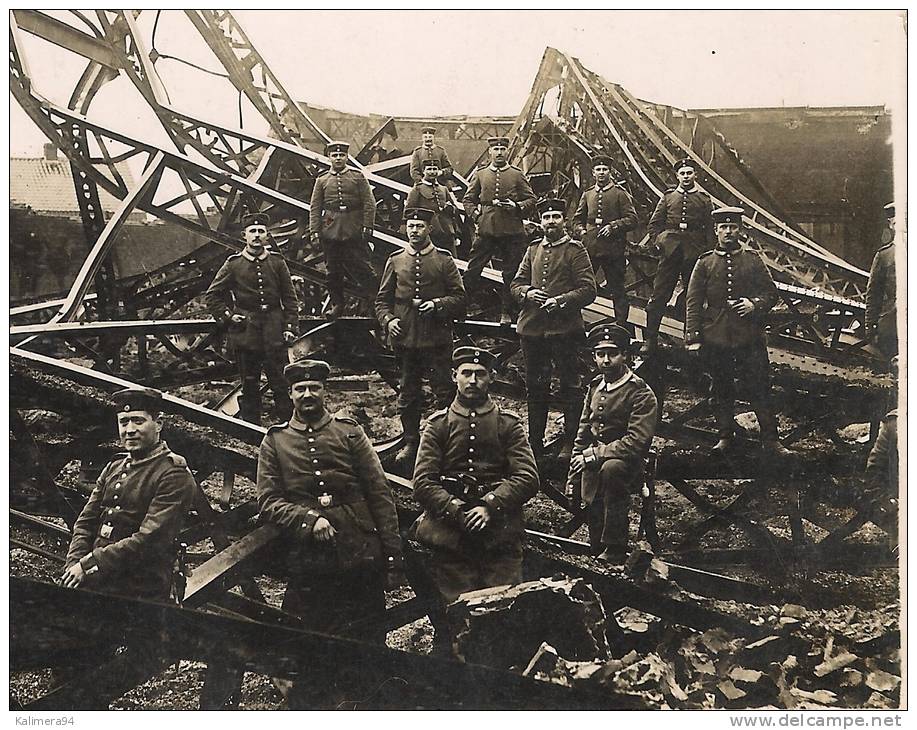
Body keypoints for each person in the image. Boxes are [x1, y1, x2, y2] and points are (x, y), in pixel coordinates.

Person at [256, 359, 405, 709]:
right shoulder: (275, 441)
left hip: (359, 550)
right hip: (309, 558)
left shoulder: (349, 432)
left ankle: (369, 702)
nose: (307, 394)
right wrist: (308, 520)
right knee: (310, 636)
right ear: (290, 394)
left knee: (368, 633)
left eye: (314, 387)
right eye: (299, 389)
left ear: (325, 391)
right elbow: (268, 501)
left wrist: (392, 555)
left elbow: (379, 493)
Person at [412, 347, 539, 649]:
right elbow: (423, 482)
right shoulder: (438, 425)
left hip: (499, 533)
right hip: (451, 535)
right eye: (466, 373)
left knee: (505, 613)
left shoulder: (508, 425)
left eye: (480, 374)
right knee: (457, 617)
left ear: (492, 378)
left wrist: (490, 505)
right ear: (453, 376)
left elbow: (528, 477)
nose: (472, 380)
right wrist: (456, 510)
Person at [61, 387, 196, 599]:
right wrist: (74, 564)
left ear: (158, 424)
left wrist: (88, 565)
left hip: (139, 587)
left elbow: (149, 540)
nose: (129, 430)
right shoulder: (114, 466)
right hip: (97, 578)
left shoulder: (173, 473)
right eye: (124, 422)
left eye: (138, 421)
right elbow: (85, 522)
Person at [685, 206, 790, 456]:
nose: (728, 232)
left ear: (740, 230)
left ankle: (771, 439)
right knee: (721, 387)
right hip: (716, 336)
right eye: (724, 228)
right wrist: (693, 338)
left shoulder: (753, 260)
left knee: (759, 386)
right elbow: (693, 301)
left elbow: (771, 293)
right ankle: (725, 436)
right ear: (716, 230)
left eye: (733, 227)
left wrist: (754, 304)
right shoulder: (705, 262)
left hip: (749, 336)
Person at [375, 208, 467, 469]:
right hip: (406, 339)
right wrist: (389, 320)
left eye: (419, 226)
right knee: (408, 392)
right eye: (411, 226)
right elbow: (382, 301)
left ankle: (449, 443)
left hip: (436, 337)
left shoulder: (443, 260)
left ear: (429, 229)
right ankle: (411, 442)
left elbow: (460, 297)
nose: (414, 231)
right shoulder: (395, 260)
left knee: (445, 391)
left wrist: (437, 305)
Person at [510, 198, 597, 460]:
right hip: (533, 328)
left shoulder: (575, 250)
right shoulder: (533, 249)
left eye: (556, 217)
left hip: (565, 329)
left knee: (570, 385)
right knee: (535, 387)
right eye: (546, 217)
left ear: (564, 220)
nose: (551, 222)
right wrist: (528, 293)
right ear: (541, 221)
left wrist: (560, 301)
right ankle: (534, 444)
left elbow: (588, 289)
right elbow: (516, 284)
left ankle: (572, 442)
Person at [568, 322, 657, 563]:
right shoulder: (595, 386)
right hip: (596, 459)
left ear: (625, 355)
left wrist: (596, 454)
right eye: (600, 354)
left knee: (611, 468)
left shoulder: (640, 392)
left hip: (628, 463)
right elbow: (584, 430)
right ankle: (597, 548)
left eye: (612, 354)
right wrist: (573, 472)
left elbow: (636, 440)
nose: (606, 360)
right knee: (596, 477)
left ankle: (615, 546)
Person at [204, 212, 299, 425]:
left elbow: (290, 298)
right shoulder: (233, 264)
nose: (257, 236)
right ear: (244, 235)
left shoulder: (277, 262)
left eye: (261, 231)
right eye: (252, 231)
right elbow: (212, 295)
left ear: (267, 235)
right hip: (246, 334)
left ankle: (290, 428)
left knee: (281, 384)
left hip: (275, 331)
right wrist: (228, 318)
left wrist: (290, 326)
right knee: (249, 385)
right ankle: (250, 431)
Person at [642, 158, 714, 354]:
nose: (686, 177)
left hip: (694, 252)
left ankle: (691, 339)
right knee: (659, 295)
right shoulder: (668, 197)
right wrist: (660, 243)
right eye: (682, 173)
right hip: (670, 251)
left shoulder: (704, 199)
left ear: (695, 175)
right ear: (677, 176)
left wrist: (708, 252)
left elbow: (709, 229)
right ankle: (650, 339)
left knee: (693, 296)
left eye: (689, 173)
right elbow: (654, 224)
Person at [462, 137, 536, 324]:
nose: (500, 152)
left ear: (507, 151)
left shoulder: (517, 174)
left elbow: (531, 199)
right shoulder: (480, 174)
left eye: (503, 148)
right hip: (486, 229)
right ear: (490, 152)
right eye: (496, 149)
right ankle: (461, 307)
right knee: (473, 269)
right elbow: (468, 200)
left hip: (511, 231)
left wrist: (517, 206)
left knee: (511, 273)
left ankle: (507, 312)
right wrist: (477, 216)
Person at [309, 140, 378, 319]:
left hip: (353, 228)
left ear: (347, 157)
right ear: (329, 157)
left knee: (363, 267)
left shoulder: (357, 177)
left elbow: (369, 203)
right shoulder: (322, 180)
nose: (338, 158)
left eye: (341, 155)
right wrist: (314, 231)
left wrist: (368, 226)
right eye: (334, 155)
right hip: (331, 230)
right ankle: (337, 304)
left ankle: (376, 302)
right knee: (333, 271)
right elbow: (315, 207)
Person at [573, 156, 638, 327]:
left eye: (605, 169)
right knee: (581, 284)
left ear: (610, 172)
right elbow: (576, 219)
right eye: (598, 170)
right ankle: (575, 321)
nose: (601, 173)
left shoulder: (620, 194)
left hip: (613, 249)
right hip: (590, 247)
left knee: (618, 289)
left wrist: (614, 226)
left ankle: (621, 324)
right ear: (593, 173)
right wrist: (582, 232)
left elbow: (632, 219)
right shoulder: (587, 194)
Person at [405, 159, 461, 255]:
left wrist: (450, 209)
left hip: (447, 232)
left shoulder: (444, 189)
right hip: (429, 233)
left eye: (435, 169)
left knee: (450, 259)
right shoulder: (417, 189)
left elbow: (454, 213)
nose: (432, 172)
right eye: (429, 169)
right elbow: (408, 211)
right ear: (423, 171)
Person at [865, 202, 897, 360]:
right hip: (892, 326)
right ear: (891, 225)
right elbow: (873, 295)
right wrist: (870, 326)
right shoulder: (885, 256)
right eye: (897, 222)